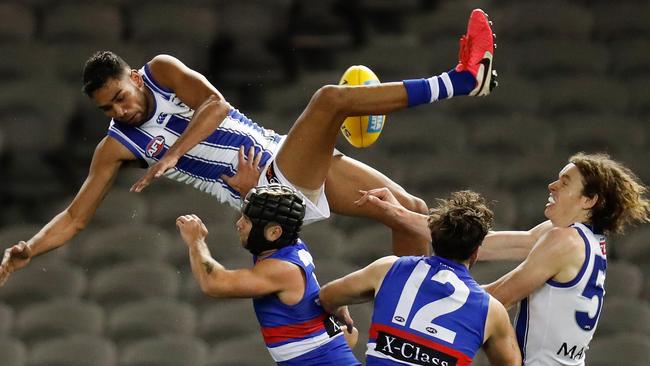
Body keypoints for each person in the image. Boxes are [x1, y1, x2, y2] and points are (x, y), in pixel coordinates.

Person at [0, 8, 497, 285]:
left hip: (285, 157)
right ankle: (463, 80)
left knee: (408, 210)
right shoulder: (117, 145)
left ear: (133, 77)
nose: (119, 113)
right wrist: (29, 247)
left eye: (120, 99)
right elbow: (76, 216)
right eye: (107, 110)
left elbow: (214, 104)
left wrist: (172, 154)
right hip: (267, 187)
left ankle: (407, 316)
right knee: (329, 100)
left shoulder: (163, 70)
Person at [353, 153, 650, 365]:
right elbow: (486, 243)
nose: (552, 186)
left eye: (565, 181)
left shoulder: (565, 240)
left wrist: (418, 300)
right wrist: (398, 214)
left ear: (589, 200)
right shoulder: (581, 238)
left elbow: (498, 299)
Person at [319, 190, 521, 366]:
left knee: (343, 339)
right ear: (476, 253)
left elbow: (326, 296)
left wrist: (340, 306)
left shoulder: (388, 268)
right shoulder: (492, 311)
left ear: (433, 239)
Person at [176, 184, 360, 365]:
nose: (238, 224)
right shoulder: (290, 244)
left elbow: (213, 283)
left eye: (246, 221)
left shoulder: (281, 268)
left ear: (274, 232)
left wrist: (196, 241)